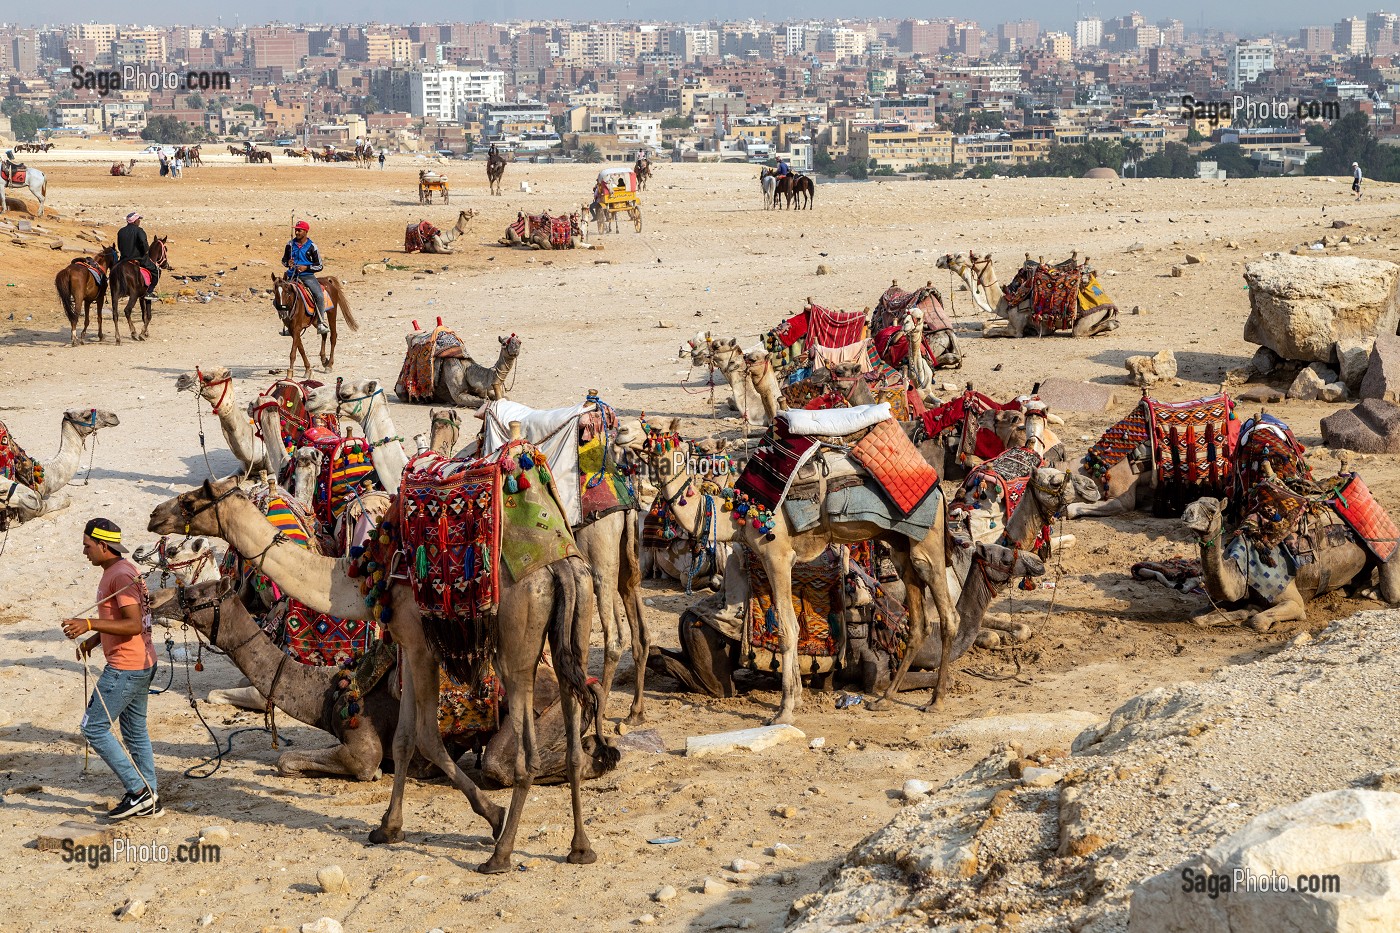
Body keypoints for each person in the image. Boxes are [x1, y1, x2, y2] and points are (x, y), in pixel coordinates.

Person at [61, 519, 161, 821]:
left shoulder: (118, 575)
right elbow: (126, 618)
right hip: (142, 663)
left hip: (126, 668)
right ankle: (149, 795)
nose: (84, 551)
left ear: (103, 546)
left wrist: (89, 624)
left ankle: (138, 791)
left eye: (87, 546)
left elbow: (131, 624)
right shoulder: (123, 570)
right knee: (134, 732)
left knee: (92, 728)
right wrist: (94, 639)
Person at [281, 220, 329, 335]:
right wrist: (288, 263)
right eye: (296, 230)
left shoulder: (312, 247)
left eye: (299, 230)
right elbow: (283, 261)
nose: (297, 232)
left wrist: (306, 268)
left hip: (307, 276)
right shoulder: (290, 245)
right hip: (292, 275)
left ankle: (321, 322)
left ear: (305, 232)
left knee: (318, 295)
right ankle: (287, 324)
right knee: (280, 296)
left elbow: (319, 266)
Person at [117, 211, 161, 293]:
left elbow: (119, 246)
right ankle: (149, 292)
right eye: (138, 219)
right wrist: (146, 252)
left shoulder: (121, 231)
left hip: (123, 259)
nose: (139, 221)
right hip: (139, 258)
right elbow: (144, 243)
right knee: (156, 271)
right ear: (135, 221)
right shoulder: (139, 230)